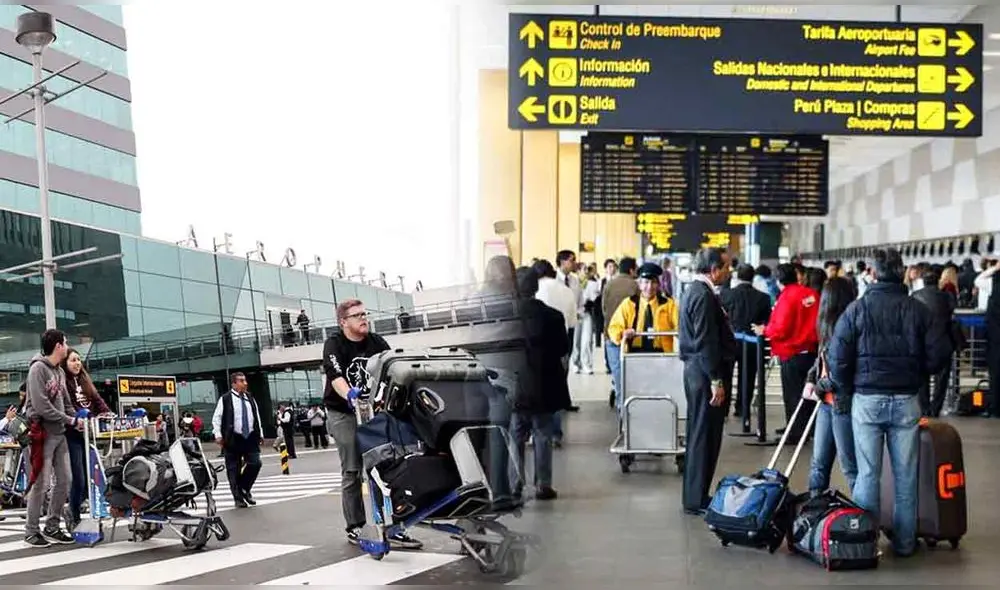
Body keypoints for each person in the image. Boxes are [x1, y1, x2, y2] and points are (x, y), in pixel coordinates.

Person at [827, 248, 952, 557]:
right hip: (906, 400)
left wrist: (848, 388)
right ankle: (906, 543)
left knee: (868, 474)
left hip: (867, 400)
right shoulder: (917, 309)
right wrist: (917, 372)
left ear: (873, 272)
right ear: (902, 271)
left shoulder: (857, 310)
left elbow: (837, 357)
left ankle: (863, 543)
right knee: (906, 475)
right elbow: (940, 352)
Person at [322, 298, 422, 549]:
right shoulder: (334, 344)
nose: (363, 318)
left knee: (385, 463)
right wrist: (350, 395)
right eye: (357, 315)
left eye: (365, 314)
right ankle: (356, 526)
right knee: (354, 469)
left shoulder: (377, 343)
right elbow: (336, 377)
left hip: (373, 410)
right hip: (343, 412)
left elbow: (394, 367)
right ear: (344, 322)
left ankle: (396, 524)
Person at [678, 249, 736, 515]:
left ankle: (696, 493)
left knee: (701, 433)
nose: (729, 271)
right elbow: (705, 341)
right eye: (726, 267)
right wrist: (716, 380)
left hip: (699, 371)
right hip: (704, 374)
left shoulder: (697, 292)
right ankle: (696, 498)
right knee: (704, 435)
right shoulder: (702, 296)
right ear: (714, 269)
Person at [509, 267, 570, 501]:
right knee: (543, 434)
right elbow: (563, 349)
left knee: (516, 435)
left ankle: (515, 485)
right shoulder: (553, 316)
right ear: (536, 288)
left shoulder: (507, 316)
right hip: (544, 386)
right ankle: (543, 485)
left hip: (516, 386)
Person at [23, 329, 79, 547]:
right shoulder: (37, 369)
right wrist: (70, 420)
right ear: (57, 346)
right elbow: (41, 406)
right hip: (42, 434)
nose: (67, 346)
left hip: (59, 433)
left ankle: (52, 526)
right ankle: (31, 531)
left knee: (65, 480)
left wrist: (76, 419)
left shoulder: (59, 372)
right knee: (41, 484)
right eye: (65, 343)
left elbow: (65, 403)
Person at [753, 263, 820, 444]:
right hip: (811, 352)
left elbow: (781, 328)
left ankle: (795, 433)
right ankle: (809, 429)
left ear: (779, 280)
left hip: (792, 352)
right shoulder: (811, 295)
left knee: (792, 395)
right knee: (808, 394)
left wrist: (764, 330)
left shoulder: (786, 298)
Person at [803, 277, 858, 494]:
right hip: (828, 403)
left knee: (848, 467)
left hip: (841, 403)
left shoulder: (846, 327)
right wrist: (811, 379)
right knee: (820, 464)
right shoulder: (829, 326)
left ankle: (862, 521)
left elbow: (839, 373)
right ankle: (814, 513)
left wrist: (817, 388)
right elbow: (821, 360)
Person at [607, 262, 679, 415]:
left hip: (661, 356)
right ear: (639, 284)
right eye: (646, 282)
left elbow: (680, 326)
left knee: (659, 394)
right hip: (635, 356)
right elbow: (614, 328)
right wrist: (623, 333)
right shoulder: (629, 304)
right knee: (635, 394)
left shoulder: (668, 304)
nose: (649, 287)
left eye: (653, 282)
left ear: (658, 284)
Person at [61, 348, 111, 530]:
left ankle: (76, 505)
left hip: (88, 434)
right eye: (73, 360)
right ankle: (72, 512)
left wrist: (106, 413)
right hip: (72, 434)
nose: (77, 363)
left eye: (79, 360)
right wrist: (78, 418)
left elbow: (97, 401)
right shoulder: (63, 383)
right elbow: (67, 407)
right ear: (65, 363)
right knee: (80, 477)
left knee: (91, 476)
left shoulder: (85, 381)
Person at [720, 263, 772, 418]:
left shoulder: (727, 295)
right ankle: (742, 409)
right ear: (753, 277)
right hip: (752, 343)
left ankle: (724, 408)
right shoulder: (763, 298)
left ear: (738, 276)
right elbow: (766, 321)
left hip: (730, 342)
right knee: (748, 378)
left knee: (726, 375)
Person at [211, 372, 263, 509]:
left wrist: (260, 433)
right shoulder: (225, 399)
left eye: (245, 380)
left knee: (255, 463)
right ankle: (238, 498)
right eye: (241, 381)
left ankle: (245, 488)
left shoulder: (250, 398)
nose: (245, 383)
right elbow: (217, 418)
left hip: (250, 436)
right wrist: (218, 434)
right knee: (233, 469)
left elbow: (256, 415)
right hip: (233, 437)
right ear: (234, 383)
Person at [911, 266, 957, 418]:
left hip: (922, 344)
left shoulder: (915, 296)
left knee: (922, 378)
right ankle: (936, 408)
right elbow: (952, 311)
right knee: (942, 380)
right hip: (943, 342)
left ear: (923, 282)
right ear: (938, 281)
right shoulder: (946, 296)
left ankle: (924, 409)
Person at [601, 257, 639, 408]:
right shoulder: (635, 286)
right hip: (632, 337)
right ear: (631, 270)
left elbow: (604, 308)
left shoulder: (609, 284)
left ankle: (620, 404)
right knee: (631, 373)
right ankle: (631, 405)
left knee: (617, 372)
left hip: (612, 335)